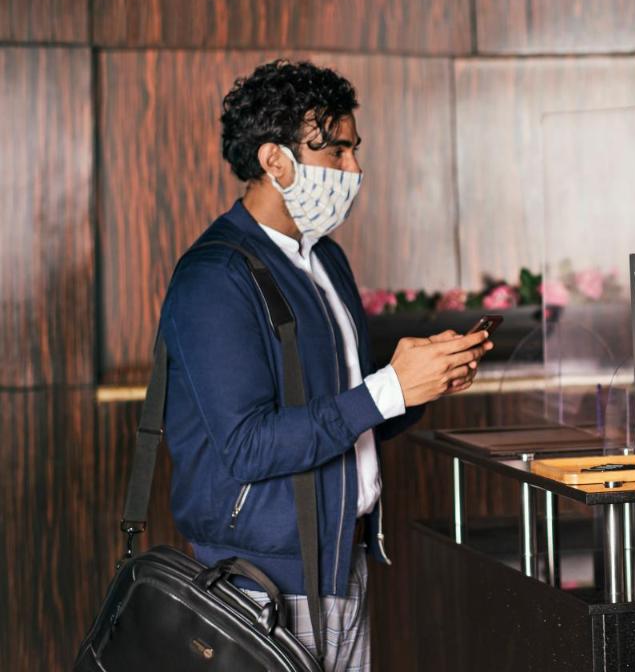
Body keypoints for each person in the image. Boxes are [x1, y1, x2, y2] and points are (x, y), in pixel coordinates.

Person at [157, 59, 492, 670]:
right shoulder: (215, 277)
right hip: (258, 586)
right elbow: (249, 446)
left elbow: (343, 416)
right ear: (275, 160)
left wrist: (419, 386)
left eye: (355, 149)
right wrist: (388, 388)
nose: (354, 169)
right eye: (336, 151)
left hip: (341, 564)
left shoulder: (326, 260)